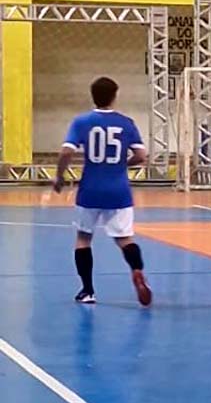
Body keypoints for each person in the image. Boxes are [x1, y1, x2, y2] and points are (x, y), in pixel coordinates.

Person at [54, 77, 152, 306]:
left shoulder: (82, 121)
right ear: (114, 96)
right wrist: (120, 165)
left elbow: (66, 152)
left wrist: (59, 176)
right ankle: (137, 270)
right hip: (119, 191)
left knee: (83, 238)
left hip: (90, 190)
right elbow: (141, 156)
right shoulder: (126, 123)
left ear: (93, 95)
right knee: (125, 238)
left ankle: (88, 291)